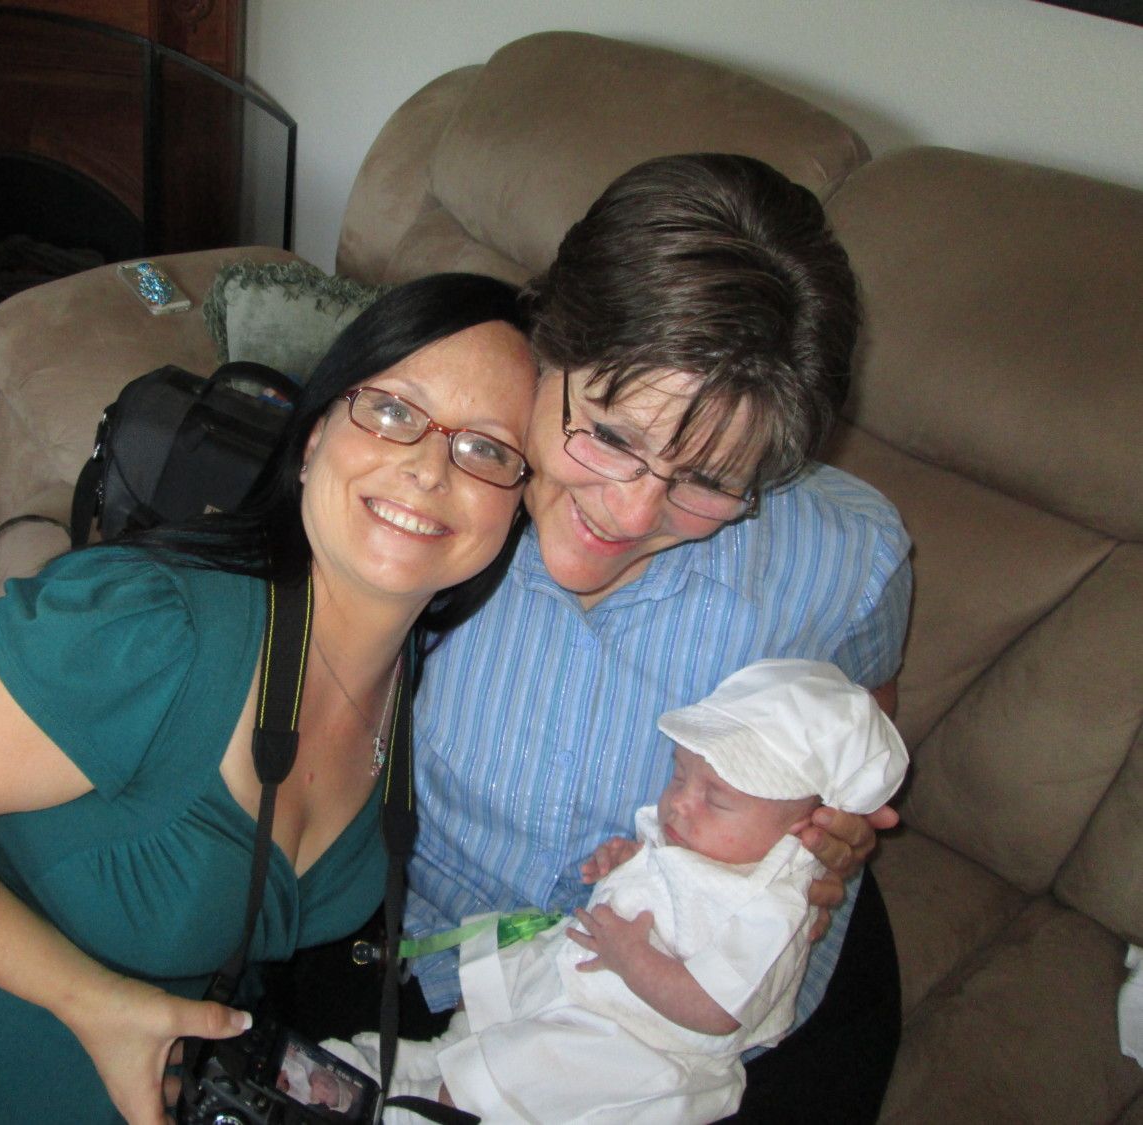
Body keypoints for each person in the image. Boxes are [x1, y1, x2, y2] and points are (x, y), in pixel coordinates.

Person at [0, 273, 539, 1125]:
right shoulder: (149, 629)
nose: (427, 467)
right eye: (394, 409)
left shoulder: (425, 691)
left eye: (486, 449)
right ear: (312, 436)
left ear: (520, 504)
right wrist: (91, 1001)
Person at [272, 153, 911, 1120]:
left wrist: (840, 823)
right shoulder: (416, 496)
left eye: (709, 480)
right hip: (445, 966)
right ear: (548, 343)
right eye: (610, 435)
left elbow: (866, 711)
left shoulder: (849, 557)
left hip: (725, 1019)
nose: (632, 511)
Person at [329, 659, 909, 1124]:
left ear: (803, 829)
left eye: (716, 799)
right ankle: (415, 1067)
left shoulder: (771, 909)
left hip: (640, 1046)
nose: (680, 802)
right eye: (679, 775)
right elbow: (661, 884)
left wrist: (633, 958)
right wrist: (624, 864)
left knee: (527, 1074)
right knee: (494, 1006)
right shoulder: (702, 839)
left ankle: (427, 1108)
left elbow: (715, 1011)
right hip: (588, 988)